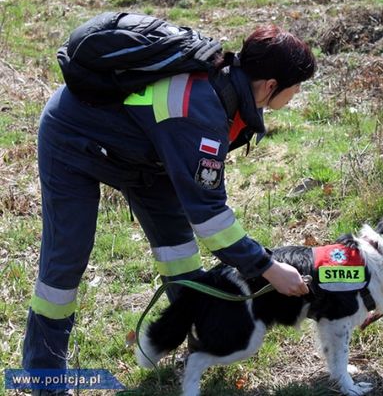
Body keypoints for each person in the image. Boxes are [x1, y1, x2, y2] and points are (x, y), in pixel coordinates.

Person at [22, 23, 316, 395]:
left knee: (179, 252)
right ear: (271, 85)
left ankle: (199, 335)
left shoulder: (227, 87)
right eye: (297, 86)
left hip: (144, 156)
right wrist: (269, 268)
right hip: (72, 140)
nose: (298, 94)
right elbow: (211, 220)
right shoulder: (201, 111)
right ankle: (44, 378)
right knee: (64, 264)